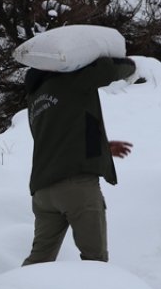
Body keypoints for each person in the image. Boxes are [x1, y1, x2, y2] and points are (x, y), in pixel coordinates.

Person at [22, 55, 137, 265]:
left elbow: (60, 136)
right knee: (95, 261)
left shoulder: (34, 98)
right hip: (76, 187)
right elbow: (117, 69)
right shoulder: (73, 79)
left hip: (42, 192)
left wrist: (103, 147)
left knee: (40, 259)